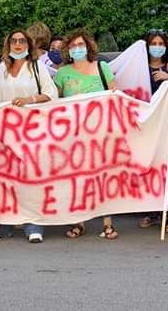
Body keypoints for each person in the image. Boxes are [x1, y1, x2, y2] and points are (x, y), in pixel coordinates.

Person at [0, 29, 57, 243]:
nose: (17, 44)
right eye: (13, 41)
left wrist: (30, 99)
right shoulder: (2, 69)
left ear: (28, 45)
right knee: (5, 178)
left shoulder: (38, 68)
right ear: (8, 45)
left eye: (21, 41)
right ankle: (7, 222)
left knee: (31, 178)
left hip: (32, 132)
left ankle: (33, 224)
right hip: (7, 132)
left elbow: (51, 93)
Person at [54, 29, 118, 240]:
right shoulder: (62, 73)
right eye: (73, 46)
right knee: (77, 179)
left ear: (88, 47)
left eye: (81, 45)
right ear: (67, 50)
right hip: (74, 136)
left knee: (102, 177)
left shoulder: (102, 67)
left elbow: (115, 95)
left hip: (100, 133)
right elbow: (56, 103)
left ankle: (107, 223)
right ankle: (78, 222)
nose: (77, 49)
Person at [138, 29, 168, 231]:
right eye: (153, 43)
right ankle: (152, 212)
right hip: (145, 126)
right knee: (149, 168)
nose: (157, 47)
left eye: (160, 43)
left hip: (167, 125)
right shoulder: (138, 69)